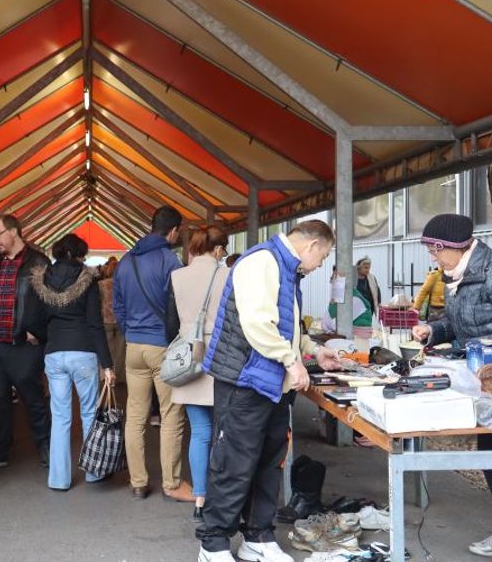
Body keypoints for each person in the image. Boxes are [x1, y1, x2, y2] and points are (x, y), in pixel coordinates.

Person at [197, 220, 342, 562]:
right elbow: (258, 323)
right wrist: (292, 362)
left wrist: (310, 350)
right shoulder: (261, 261)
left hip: (271, 385)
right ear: (311, 246)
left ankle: (258, 536)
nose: (320, 264)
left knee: (268, 461)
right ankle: (213, 542)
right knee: (234, 461)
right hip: (245, 381)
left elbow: (284, 324)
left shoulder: (286, 269)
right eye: (322, 257)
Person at [411, 214, 492, 562]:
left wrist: (491, 355)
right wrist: (434, 331)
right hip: (481, 382)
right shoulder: (456, 276)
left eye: (434, 250)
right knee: (491, 457)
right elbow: (458, 323)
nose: (433, 258)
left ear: (450, 247)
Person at [113, 205, 191, 502]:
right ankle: (171, 483)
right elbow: (178, 305)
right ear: (173, 231)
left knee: (135, 414)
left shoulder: (125, 261)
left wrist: (131, 330)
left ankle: (138, 482)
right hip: (162, 346)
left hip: (133, 347)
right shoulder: (169, 260)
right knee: (171, 414)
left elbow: (118, 306)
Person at [28, 233, 114, 491]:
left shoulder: (41, 279)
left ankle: (59, 479)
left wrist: (48, 337)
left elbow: (33, 319)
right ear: (79, 254)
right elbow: (95, 323)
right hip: (84, 352)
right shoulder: (86, 279)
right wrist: (107, 363)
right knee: (89, 412)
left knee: (60, 416)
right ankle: (94, 472)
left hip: (54, 353)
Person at [0, 214, 51, 469]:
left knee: (33, 398)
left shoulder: (38, 261)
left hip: (24, 344)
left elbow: (48, 300)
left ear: (14, 232)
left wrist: (36, 331)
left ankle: (45, 446)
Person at [170, 224, 230, 522]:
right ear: (219, 249)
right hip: (222, 357)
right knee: (223, 431)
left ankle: (200, 498)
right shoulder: (228, 275)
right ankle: (224, 495)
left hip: (189, 356)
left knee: (200, 432)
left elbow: (171, 318)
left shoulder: (178, 276)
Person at [98, 259, 125, 383]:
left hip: (105, 319)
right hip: (120, 320)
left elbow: (98, 302)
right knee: (120, 351)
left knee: (107, 349)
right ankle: (118, 376)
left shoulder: (101, 284)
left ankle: (106, 375)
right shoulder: (124, 284)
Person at [352, 257, 380, 330]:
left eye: (369, 268)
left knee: (366, 328)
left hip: (368, 310)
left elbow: (377, 291)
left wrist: (378, 303)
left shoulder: (372, 278)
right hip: (356, 310)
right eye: (365, 268)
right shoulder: (352, 277)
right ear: (358, 268)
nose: (368, 270)